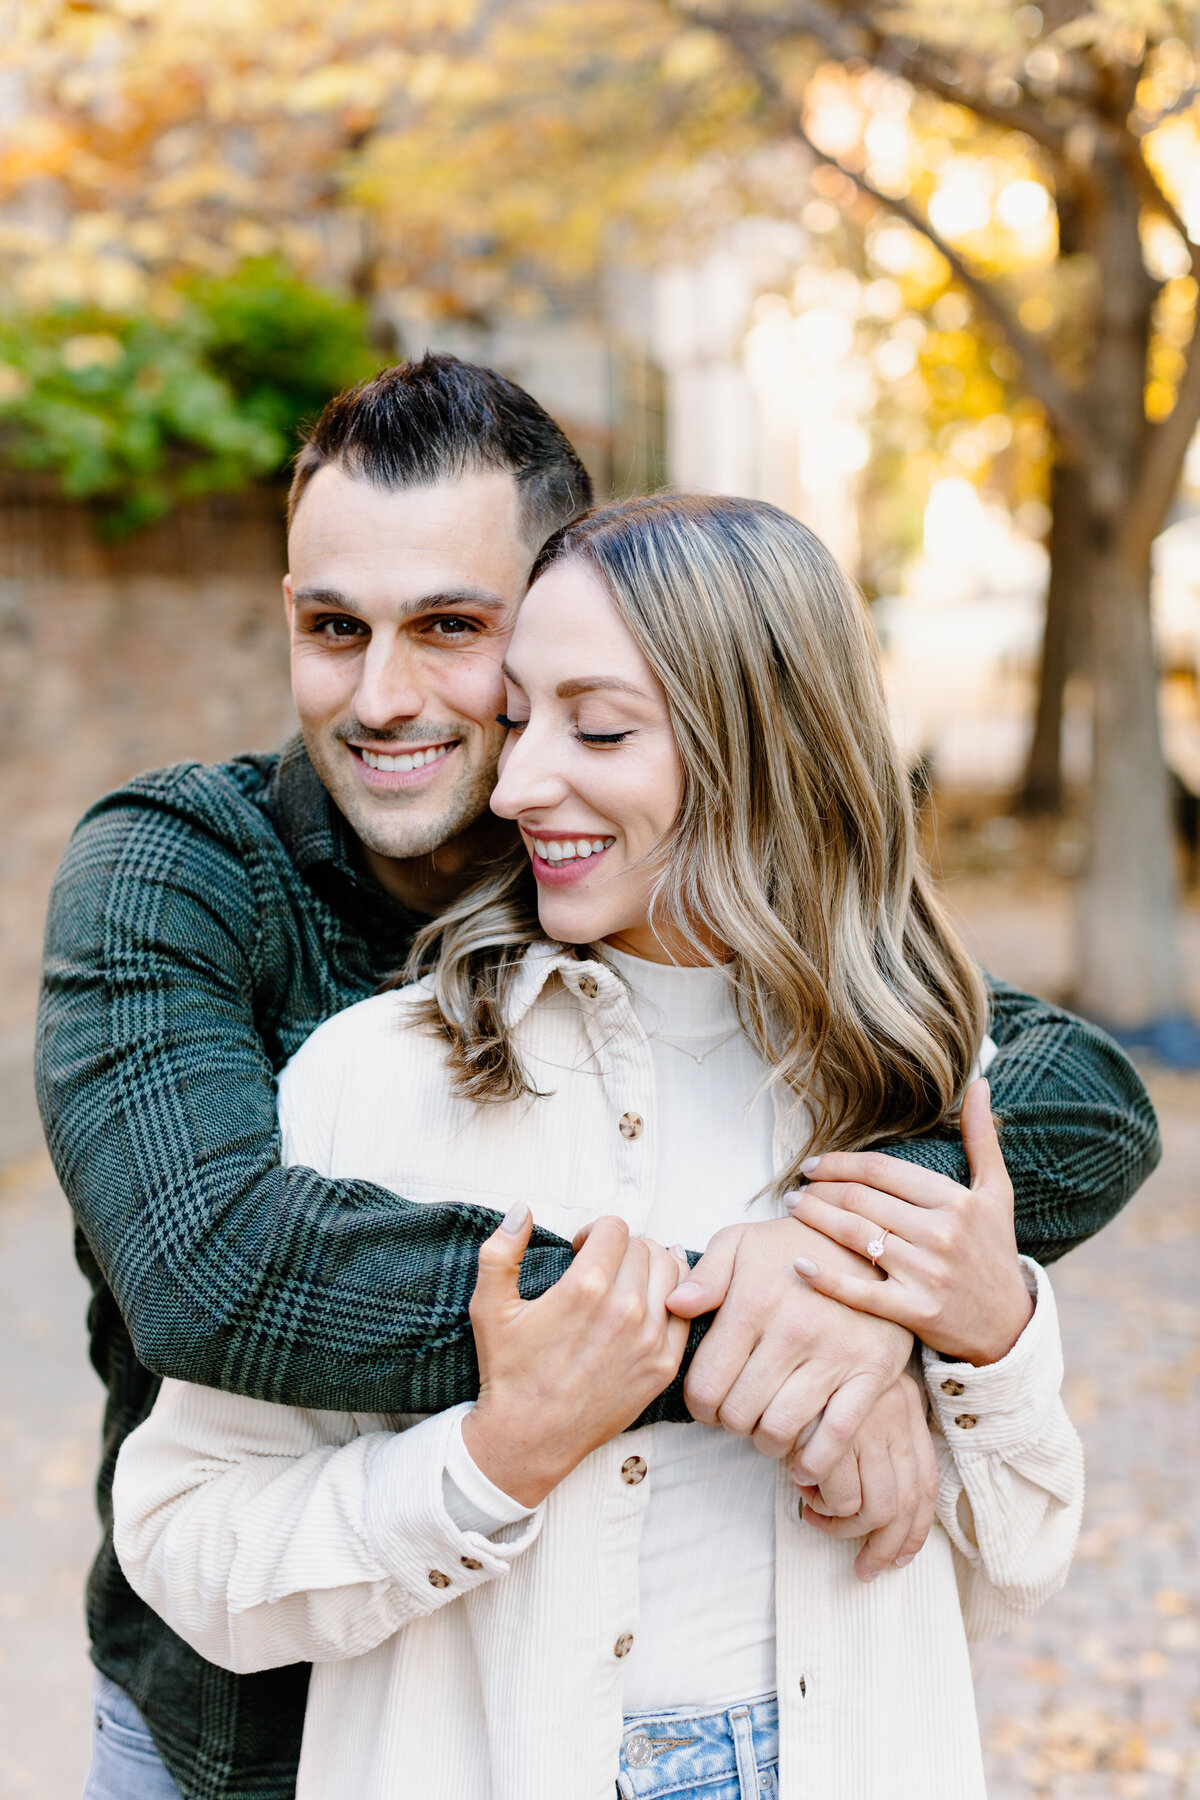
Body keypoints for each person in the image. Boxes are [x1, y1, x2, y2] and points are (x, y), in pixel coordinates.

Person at [37, 361, 1158, 1800]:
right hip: (235, 1730)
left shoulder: (642, 881)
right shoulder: (185, 878)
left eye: (453, 629)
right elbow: (215, 1270)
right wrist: (749, 1336)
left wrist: (871, 1266)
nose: (384, 698)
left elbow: (1067, 1093)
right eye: (332, 628)